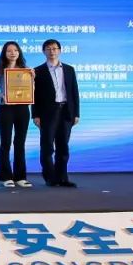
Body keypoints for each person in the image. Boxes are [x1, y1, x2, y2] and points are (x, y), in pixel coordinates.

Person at [32, 38, 80, 187]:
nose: (51, 51)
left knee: (63, 146)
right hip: (47, 113)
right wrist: (35, 114)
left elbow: (74, 92)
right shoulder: (38, 71)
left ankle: (63, 177)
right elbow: (34, 95)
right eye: (48, 49)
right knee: (47, 147)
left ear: (59, 50)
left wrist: (76, 113)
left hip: (66, 111)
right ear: (43, 51)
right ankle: (50, 178)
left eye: (54, 48)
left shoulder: (69, 69)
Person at [0, 41, 33, 189]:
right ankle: (6, 176)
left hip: (22, 109)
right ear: (4, 53)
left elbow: (32, 91)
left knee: (20, 143)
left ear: (19, 53)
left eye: (15, 50)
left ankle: (20, 177)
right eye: (9, 51)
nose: (12, 53)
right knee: (5, 143)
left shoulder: (27, 70)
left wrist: (33, 80)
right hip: (5, 109)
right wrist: (0, 96)